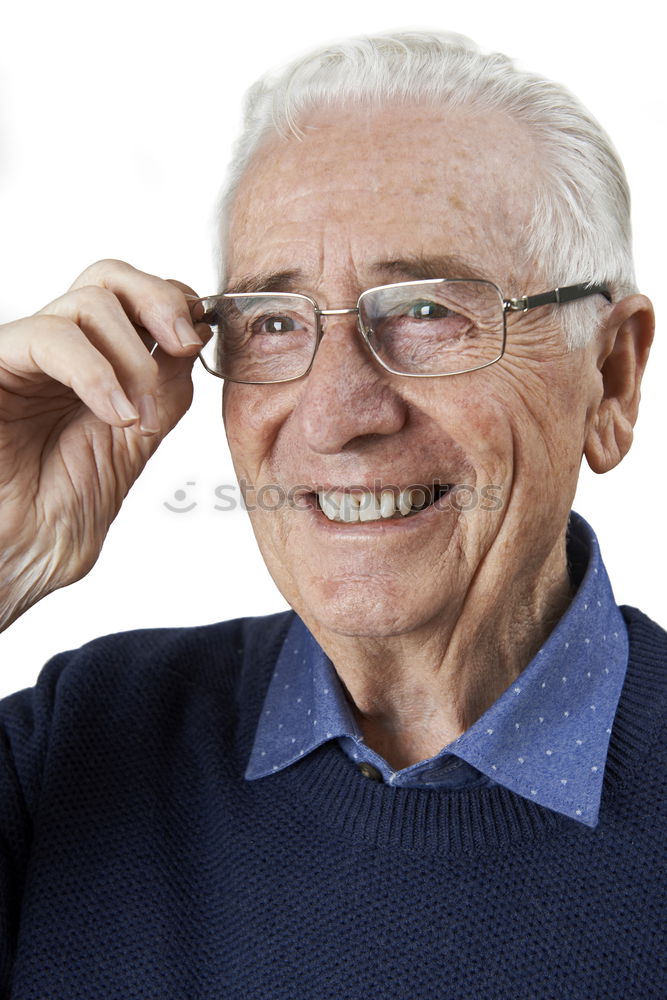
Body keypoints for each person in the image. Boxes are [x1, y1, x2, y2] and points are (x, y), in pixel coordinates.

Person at [0, 30, 664, 999]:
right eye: (274, 322)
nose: (339, 412)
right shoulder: (77, 743)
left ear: (609, 378)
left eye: (428, 311)